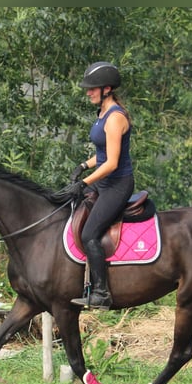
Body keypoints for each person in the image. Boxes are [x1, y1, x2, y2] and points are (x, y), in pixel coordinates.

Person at [64, 61, 135, 310]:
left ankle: (102, 294)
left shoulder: (115, 118)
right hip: (103, 182)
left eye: (92, 88)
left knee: (89, 233)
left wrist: (84, 181)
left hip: (117, 185)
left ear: (107, 89)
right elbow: (102, 154)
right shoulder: (101, 114)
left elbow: (112, 162)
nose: (88, 92)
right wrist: (83, 165)